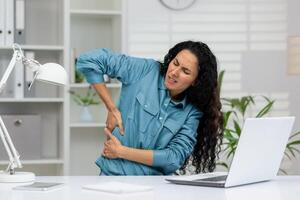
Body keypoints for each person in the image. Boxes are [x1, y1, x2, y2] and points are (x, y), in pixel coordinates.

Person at [76, 40, 224, 175]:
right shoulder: (145, 70)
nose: (174, 72)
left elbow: (173, 158)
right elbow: (88, 60)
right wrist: (111, 107)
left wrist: (121, 152)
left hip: (157, 187)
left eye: (185, 71)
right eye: (175, 63)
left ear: (195, 81)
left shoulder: (192, 111)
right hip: (113, 177)